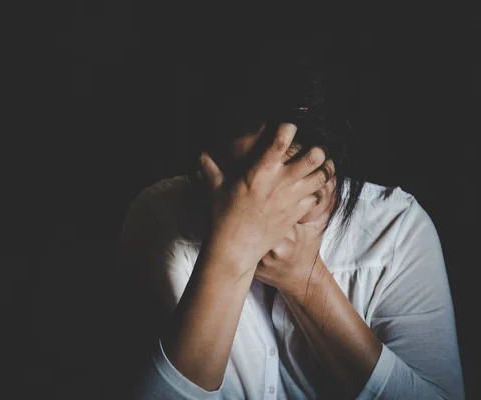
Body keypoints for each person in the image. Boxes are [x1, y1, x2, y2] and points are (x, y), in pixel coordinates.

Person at [113, 37, 465, 399]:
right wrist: (230, 253)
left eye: (288, 194)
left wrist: (308, 281)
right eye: (244, 192)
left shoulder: (396, 230)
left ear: (329, 177)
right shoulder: (159, 217)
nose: (264, 215)